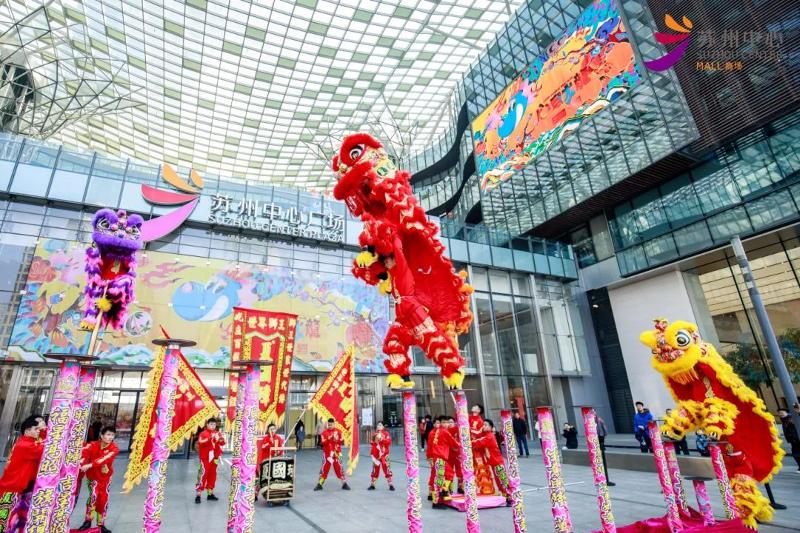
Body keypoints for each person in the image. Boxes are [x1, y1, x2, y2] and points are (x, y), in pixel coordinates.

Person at [0, 416, 44, 532]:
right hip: (11, 489)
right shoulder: (26, 445)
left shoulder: (27, 442)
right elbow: (45, 450)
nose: (39, 431)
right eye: (36, 429)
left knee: (17, 519)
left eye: (39, 429)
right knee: (6, 521)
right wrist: (47, 430)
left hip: (18, 488)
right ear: (27, 431)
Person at [76, 427, 119, 533]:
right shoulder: (92, 445)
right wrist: (83, 464)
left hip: (105, 478)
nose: (110, 437)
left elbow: (104, 459)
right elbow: (84, 454)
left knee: (103, 500)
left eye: (112, 435)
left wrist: (90, 465)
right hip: (93, 478)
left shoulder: (114, 448)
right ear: (102, 436)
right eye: (108, 434)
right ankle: (87, 521)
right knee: (93, 497)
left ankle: (101, 524)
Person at [474, 420, 512, 505]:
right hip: (494, 462)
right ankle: (506, 496)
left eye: (486, 425)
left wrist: (468, 442)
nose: (483, 426)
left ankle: (509, 497)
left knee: (502, 480)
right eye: (483, 425)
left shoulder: (489, 436)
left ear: (491, 427)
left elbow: (478, 442)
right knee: (500, 480)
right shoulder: (487, 435)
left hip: (497, 462)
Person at [427, 416, 459, 509]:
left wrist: (429, 457)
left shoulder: (437, 431)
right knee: (442, 477)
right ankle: (438, 499)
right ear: (440, 423)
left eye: (447, 422)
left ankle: (442, 493)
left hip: (437, 457)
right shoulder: (444, 431)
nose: (446, 424)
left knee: (443, 476)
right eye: (444, 422)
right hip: (440, 457)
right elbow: (454, 443)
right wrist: (464, 445)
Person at [314, 418, 350, 490]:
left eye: (331, 424)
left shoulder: (338, 431)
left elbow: (342, 442)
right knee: (325, 469)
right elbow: (322, 443)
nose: (330, 426)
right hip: (327, 454)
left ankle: (344, 484)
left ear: (334, 424)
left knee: (339, 468)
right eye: (329, 424)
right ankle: (320, 484)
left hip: (336, 453)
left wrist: (337, 439)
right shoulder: (324, 433)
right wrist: (329, 439)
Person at [195, 418, 225, 504]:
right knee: (202, 475)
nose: (213, 426)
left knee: (212, 476)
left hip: (214, 458)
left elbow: (222, 443)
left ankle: (210, 494)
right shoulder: (203, 433)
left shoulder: (217, 433)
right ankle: (198, 495)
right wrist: (211, 438)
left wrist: (220, 439)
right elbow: (201, 442)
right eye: (211, 424)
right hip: (205, 458)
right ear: (207, 424)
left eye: (214, 425)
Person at [368, 421, 394, 490]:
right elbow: (372, 442)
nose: (378, 426)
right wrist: (375, 440)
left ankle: (390, 485)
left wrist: (382, 439)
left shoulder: (386, 433)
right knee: (375, 470)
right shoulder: (374, 434)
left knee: (387, 469)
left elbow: (389, 442)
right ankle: (373, 485)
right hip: (376, 455)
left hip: (384, 455)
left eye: (380, 425)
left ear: (383, 427)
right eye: (378, 425)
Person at [445, 417, 463, 494]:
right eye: (448, 422)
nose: (450, 423)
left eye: (451, 422)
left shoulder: (458, 429)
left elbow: (461, 439)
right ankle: (450, 488)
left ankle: (460, 487)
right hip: (449, 454)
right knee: (449, 471)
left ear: (455, 423)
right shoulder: (445, 431)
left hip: (458, 454)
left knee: (460, 471)